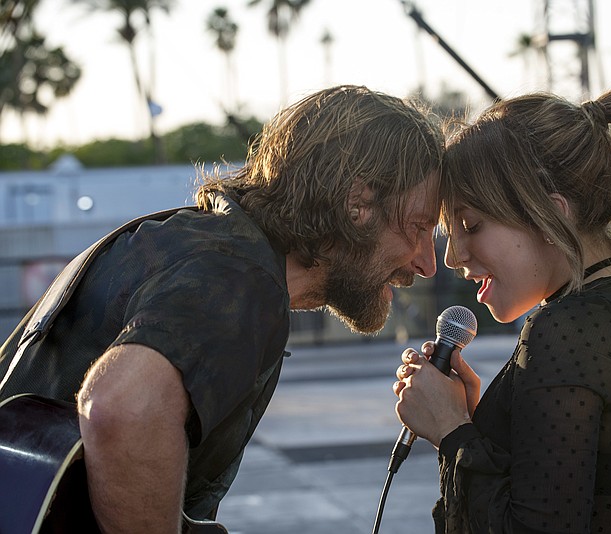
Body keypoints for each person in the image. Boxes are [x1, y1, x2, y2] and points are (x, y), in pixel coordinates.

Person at [0, 85, 444, 532]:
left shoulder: (190, 244)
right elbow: (121, 409)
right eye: (418, 227)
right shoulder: (238, 279)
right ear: (358, 204)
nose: (427, 263)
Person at [392, 86, 611, 532]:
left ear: (552, 215)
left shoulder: (566, 328)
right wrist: (475, 424)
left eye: (471, 226)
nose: (452, 256)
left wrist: (452, 431)